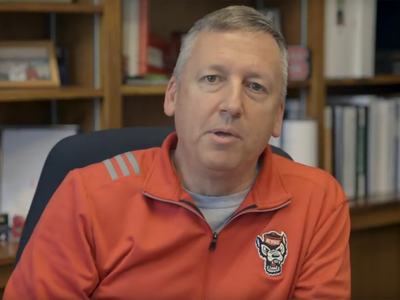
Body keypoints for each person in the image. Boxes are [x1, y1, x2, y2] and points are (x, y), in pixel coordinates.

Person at [4, 5, 350, 300]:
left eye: (255, 86)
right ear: (172, 96)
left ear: (278, 117)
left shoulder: (318, 202)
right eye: (212, 79)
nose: (232, 105)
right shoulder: (86, 196)